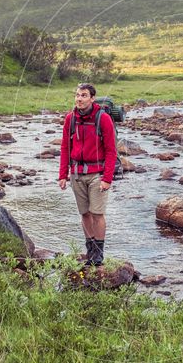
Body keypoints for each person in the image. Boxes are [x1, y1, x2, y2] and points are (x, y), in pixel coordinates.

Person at [58, 83, 117, 265]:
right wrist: (62, 175)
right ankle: (90, 251)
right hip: (76, 173)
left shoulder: (103, 118)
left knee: (97, 214)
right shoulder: (71, 118)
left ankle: (98, 254)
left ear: (92, 98)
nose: (79, 99)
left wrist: (107, 178)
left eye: (83, 95)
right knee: (84, 214)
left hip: (97, 175)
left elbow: (111, 151)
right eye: (77, 95)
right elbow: (65, 147)